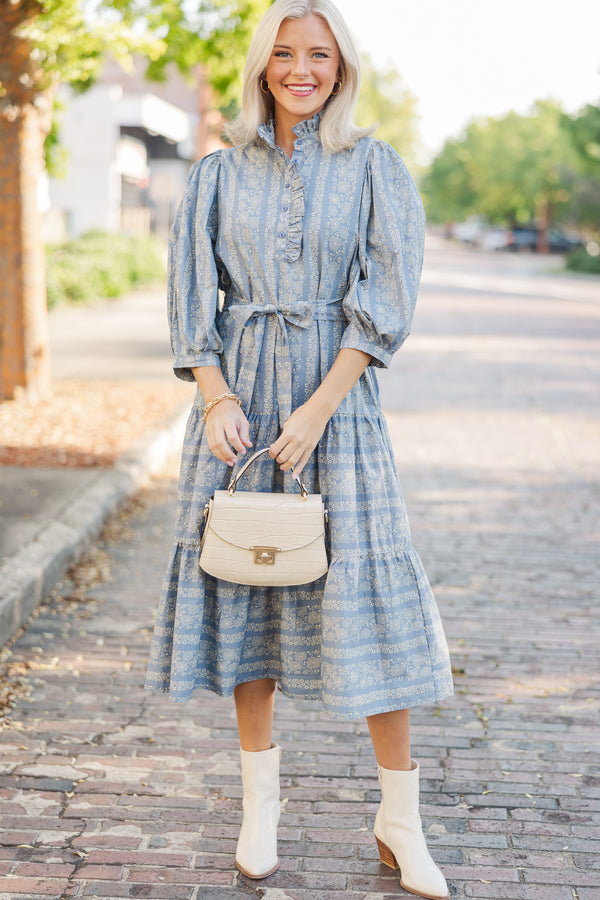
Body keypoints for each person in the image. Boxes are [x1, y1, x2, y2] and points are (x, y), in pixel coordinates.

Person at [145, 1, 454, 897]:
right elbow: (189, 298)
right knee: (250, 594)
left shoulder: (373, 167)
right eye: (284, 53)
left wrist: (319, 406)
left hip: (338, 404)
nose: (301, 69)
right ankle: (258, 808)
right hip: (237, 406)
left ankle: (400, 819)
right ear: (261, 66)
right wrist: (215, 400)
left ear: (343, 68)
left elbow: (387, 295)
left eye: (319, 54)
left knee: (369, 592)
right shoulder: (213, 174)